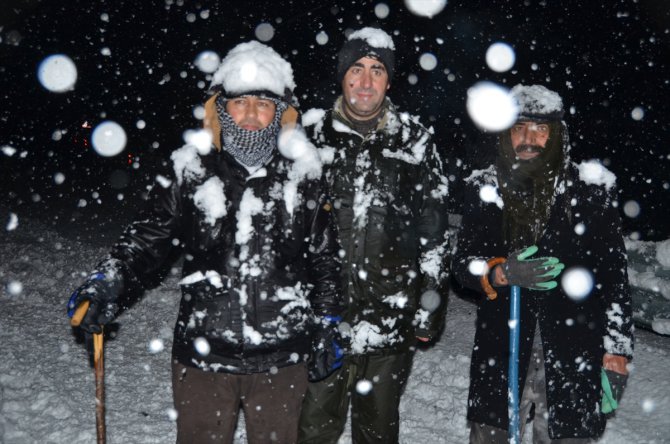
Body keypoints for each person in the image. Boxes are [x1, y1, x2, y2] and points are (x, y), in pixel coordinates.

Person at [67, 41, 344, 444]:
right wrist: (109, 281)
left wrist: (328, 323)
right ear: (222, 109)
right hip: (204, 356)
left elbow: (325, 260)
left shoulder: (304, 174)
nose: (251, 114)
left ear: (280, 113)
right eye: (240, 103)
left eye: (264, 104)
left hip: (282, 357)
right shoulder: (191, 169)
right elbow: (147, 239)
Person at [452, 84, 634, 443]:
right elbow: (461, 264)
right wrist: (498, 272)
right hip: (502, 349)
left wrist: (617, 351)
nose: (528, 138)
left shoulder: (589, 190)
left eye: (540, 129)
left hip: (573, 349)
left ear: (556, 135)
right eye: (519, 127)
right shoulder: (486, 188)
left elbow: (614, 277)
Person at [298, 27, 451, 443]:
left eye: (377, 70)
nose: (365, 82)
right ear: (342, 75)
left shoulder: (415, 142)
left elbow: (433, 234)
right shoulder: (309, 139)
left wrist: (429, 303)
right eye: (357, 69)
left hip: (390, 319)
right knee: (312, 430)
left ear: (389, 78)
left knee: (378, 431)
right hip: (323, 318)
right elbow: (287, 230)